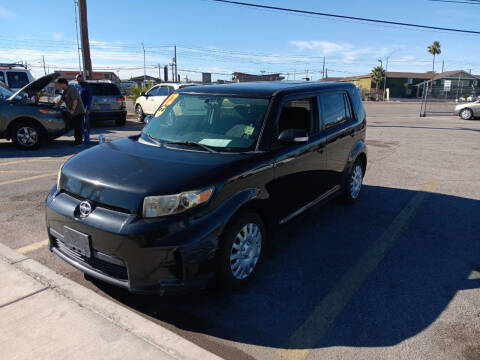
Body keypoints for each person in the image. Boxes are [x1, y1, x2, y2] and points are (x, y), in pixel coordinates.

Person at [55, 78, 85, 144]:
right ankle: (77, 140)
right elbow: (61, 101)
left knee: (78, 127)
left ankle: (79, 142)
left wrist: (73, 109)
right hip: (73, 112)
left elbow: (75, 100)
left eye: (59, 85)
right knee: (74, 126)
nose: (58, 86)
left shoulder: (71, 88)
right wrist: (55, 106)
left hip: (78, 111)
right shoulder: (65, 91)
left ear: (63, 84)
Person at [76, 74, 92, 143]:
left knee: (86, 122)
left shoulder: (86, 85)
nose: (78, 80)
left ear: (82, 79)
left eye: (79, 79)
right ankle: (82, 136)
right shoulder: (77, 86)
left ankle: (87, 136)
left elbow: (89, 97)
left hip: (85, 107)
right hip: (78, 107)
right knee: (80, 123)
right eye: (77, 79)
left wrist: (88, 108)